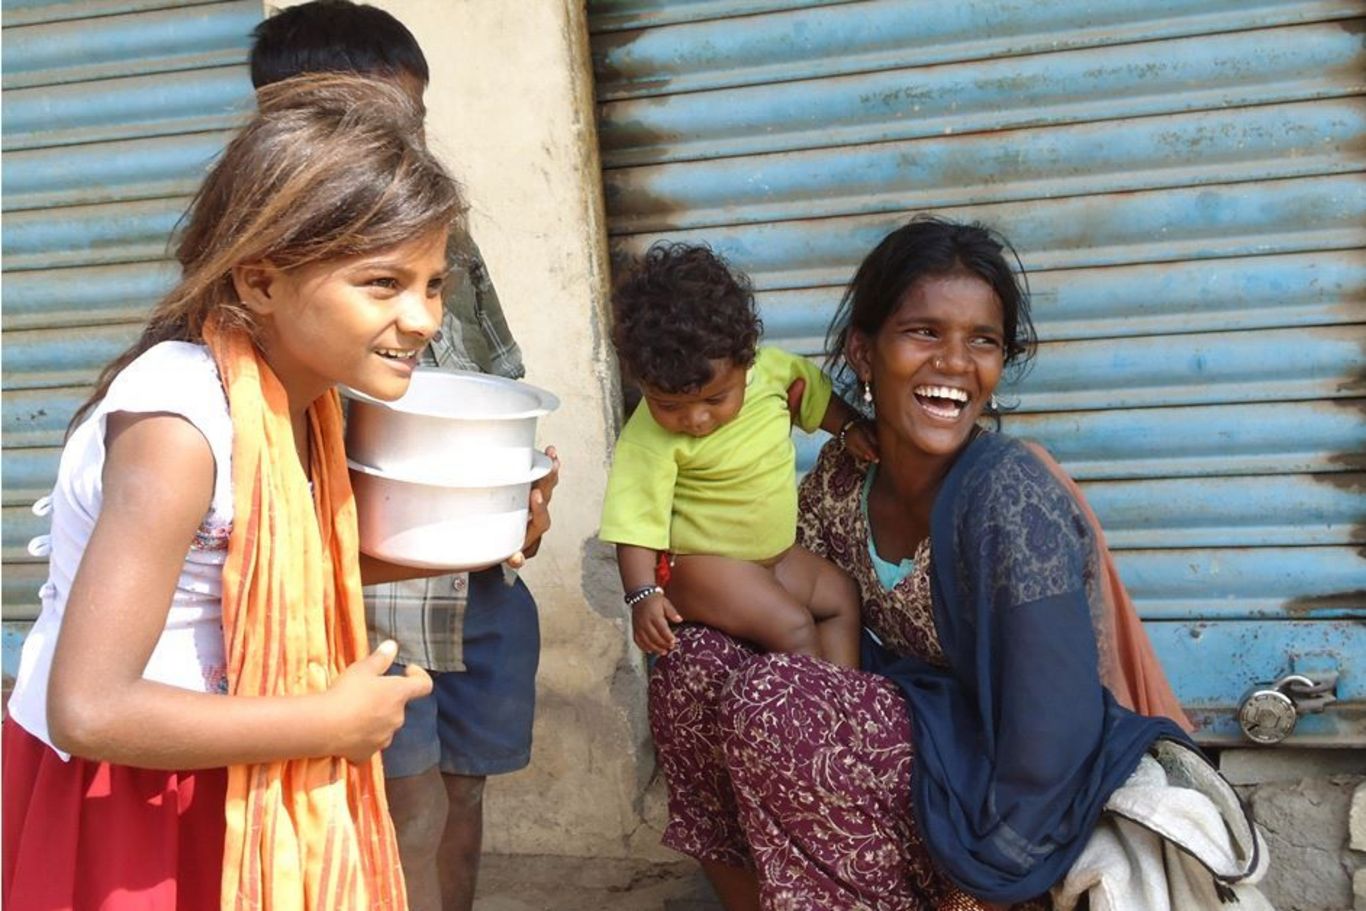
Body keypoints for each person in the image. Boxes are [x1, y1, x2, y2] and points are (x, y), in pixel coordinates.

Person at [2, 75, 467, 909]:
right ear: (259, 282)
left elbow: (275, 570)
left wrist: (478, 529)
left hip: (226, 762)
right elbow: (90, 706)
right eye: (383, 283)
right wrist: (328, 724)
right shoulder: (180, 425)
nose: (424, 318)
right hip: (133, 792)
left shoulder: (306, 395)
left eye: (434, 283)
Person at [646, 217, 1195, 910]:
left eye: (983, 342)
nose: (955, 363)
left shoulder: (1008, 494)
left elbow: (1053, 737)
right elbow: (746, 597)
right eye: (924, 332)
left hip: (1005, 811)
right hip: (916, 750)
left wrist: (985, 889)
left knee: (770, 703)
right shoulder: (843, 480)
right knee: (693, 668)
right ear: (863, 352)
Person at [247, 5, 556, 910]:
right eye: (370, 124)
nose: (402, 146)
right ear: (289, 127)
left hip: (480, 576)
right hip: (370, 594)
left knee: (463, 793)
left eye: (411, 122)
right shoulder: (276, 275)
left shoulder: (449, 243)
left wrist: (527, 489)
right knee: (400, 806)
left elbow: (501, 387)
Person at [601, 243, 876, 668]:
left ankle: (846, 699)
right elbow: (634, 526)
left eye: (716, 398)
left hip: (773, 559)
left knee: (840, 597)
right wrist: (643, 595)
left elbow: (816, 400)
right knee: (794, 627)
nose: (695, 418)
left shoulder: (775, 373)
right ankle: (816, 725)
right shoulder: (646, 437)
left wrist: (850, 426)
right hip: (698, 569)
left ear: (746, 358)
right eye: (669, 405)